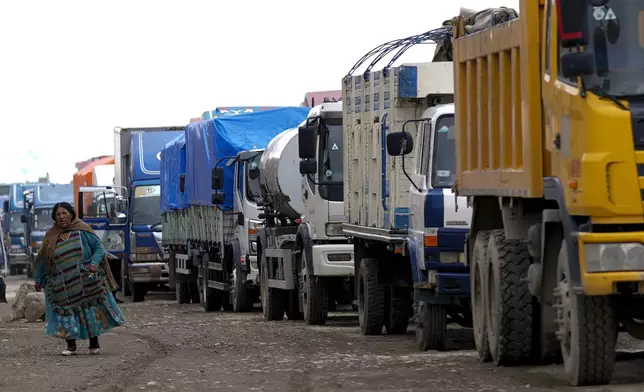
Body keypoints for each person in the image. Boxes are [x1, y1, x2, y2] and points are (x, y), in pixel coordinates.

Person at [34, 202, 126, 356]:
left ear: (71, 214)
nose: (61, 217)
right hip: (62, 283)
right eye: (58, 214)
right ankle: (71, 346)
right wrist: (38, 279)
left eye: (64, 213)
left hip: (85, 279)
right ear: (54, 218)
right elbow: (42, 259)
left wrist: (94, 263)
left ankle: (93, 344)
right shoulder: (50, 236)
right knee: (67, 313)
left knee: (89, 310)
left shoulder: (82, 229)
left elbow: (98, 248)